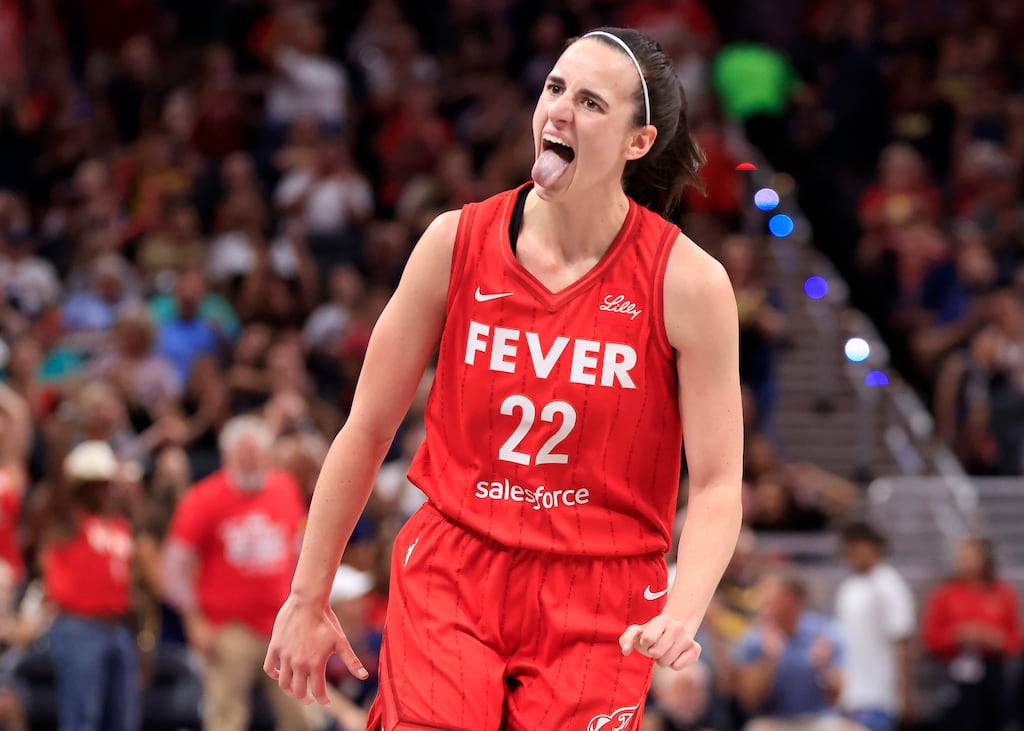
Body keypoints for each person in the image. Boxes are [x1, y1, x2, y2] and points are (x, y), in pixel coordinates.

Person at [264, 26, 743, 730]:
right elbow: (366, 428)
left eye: (589, 102)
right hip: (457, 563)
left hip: (604, 590)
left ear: (638, 142)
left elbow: (716, 481)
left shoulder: (688, 283)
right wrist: (308, 594)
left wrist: (685, 604)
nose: (558, 111)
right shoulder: (454, 241)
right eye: (554, 89)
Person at [161, 415, 311, 731]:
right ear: (227, 457)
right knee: (226, 720)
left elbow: (301, 550)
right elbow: (173, 566)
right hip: (228, 628)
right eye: (245, 455)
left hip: (282, 625)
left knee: (304, 717)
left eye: (257, 454)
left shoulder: (285, 488)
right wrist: (194, 620)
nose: (252, 462)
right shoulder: (203, 498)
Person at [40, 440, 140, 731]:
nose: (103, 490)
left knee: (124, 720)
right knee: (82, 718)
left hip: (119, 629)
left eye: (107, 484)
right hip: (79, 626)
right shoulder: (66, 522)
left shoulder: (119, 524)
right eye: (95, 484)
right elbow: (55, 492)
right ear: (80, 487)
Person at [921, 535, 1021, 731]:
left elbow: (1015, 641)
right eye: (962, 557)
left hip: (993, 671)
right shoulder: (945, 594)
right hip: (956, 671)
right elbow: (931, 639)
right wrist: (958, 635)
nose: (964, 562)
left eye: (970, 557)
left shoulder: (1003, 593)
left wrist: (991, 638)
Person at [733, 574, 850, 731]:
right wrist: (769, 660)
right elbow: (749, 701)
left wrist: (824, 667)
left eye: (771, 598)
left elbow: (836, 697)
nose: (763, 604)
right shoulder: (754, 639)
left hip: (817, 720)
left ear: (793, 601)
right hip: (772, 721)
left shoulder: (823, 634)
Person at [834, 521, 916, 731]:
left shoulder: (890, 585)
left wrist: (904, 692)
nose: (853, 554)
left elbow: (901, 641)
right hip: (850, 696)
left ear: (872, 547)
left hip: (881, 696)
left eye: (857, 547)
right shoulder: (848, 588)